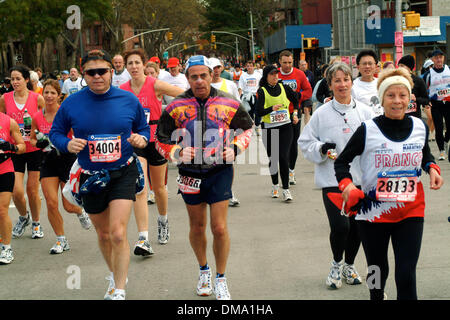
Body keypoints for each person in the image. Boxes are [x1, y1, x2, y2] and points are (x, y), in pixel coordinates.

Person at [335, 67, 444, 300]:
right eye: (391, 96)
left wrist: (432, 168)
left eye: (402, 95)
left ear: (409, 99)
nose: (397, 101)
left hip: (410, 209)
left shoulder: (420, 127)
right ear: (382, 99)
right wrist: (347, 185)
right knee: (377, 272)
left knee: (406, 273)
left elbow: (424, 154)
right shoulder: (368, 130)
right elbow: (341, 162)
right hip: (373, 212)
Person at [49, 49, 150, 300]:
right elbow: (56, 133)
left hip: (122, 171)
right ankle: (114, 274)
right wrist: (66, 144)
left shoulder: (127, 99)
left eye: (102, 71)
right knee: (103, 234)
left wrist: (141, 138)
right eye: (90, 72)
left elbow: (144, 128)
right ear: (83, 75)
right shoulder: (72, 102)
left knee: (117, 232)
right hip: (90, 175)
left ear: (111, 71)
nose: (97, 76)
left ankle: (119, 288)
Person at [156, 55, 253, 300]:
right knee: (197, 227)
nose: (199, 81)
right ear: (187, 79)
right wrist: (176, 152)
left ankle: (221, 277)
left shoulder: (229, 101)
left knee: (219, 227)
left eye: (203, 76)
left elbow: (247, 128)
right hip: (189, 174)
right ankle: (203, 270)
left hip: (219, 170)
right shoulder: (176, 105)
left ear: (211, 76)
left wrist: (236, 148)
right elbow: (161, 139)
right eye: (194, 77)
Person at [299, 62, 374, 290]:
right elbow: (305, 142)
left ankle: (349, 266)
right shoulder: (321, 114)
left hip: (360, 179)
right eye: (337, 81)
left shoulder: (366, 112)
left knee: (357, 228)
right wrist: (321, 148)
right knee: (341, 227)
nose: (342, 85)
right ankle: (336, 263)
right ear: (330, 84)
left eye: (346, 79)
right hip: (332, 180)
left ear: (352, 81)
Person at [121, 48, 183, 251]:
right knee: (141, 187)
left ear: (143, 64)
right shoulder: (122, 90)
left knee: (159, 189)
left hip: (156, 140)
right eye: (130, 63)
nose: (134, 66)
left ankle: (163, 220)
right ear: (125, 67)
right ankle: (143, 237)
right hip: (135, 142)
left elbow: (182, 94)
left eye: (137, 62)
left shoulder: (154, 84)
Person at [30, 79, 92, 255]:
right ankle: (61, 239)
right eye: (46, 92)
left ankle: (80, 212)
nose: (49, 96)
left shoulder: (65, 113)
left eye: (52, 93)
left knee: (68, 206)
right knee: (51, 202)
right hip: (47, 161)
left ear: (59, 95)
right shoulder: (36, 116)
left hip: (67, 160)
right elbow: (33, 139)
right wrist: (38, 142)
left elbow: (78, 135)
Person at [0, 65, 45, 239]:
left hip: (34, 149)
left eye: (18, 78)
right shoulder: (5, 98)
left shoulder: (37, 98)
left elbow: (44, 120)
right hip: (15, 150)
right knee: (17, 191)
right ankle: (23, 216)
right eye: (12, 79)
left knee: (33, 190)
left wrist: (43, 137)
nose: (15, 82)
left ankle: (36, 223)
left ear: (27, 79)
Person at [256, 64, 300, 201]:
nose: (275, 76)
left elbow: (296, 99)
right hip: (269, 129)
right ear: (266, 76)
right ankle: (275, 185)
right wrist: (271, 108)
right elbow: (258, 112)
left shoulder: (284, 87)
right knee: (273, 159)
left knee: (283, 157)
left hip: (286, 127)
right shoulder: (262, 91)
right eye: (272, 74)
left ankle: (286, 189)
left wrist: (295, 114)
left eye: (276, 74)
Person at [209, 57, 241, 207]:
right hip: (206, 130)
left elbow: (238, 105)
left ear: (221, 68)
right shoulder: (203, 85)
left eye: (217, 67)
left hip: (227, 129)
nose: (215, 71)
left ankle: (228, 191)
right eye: (212, 68)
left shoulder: (229, 85)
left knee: (227, 161)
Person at [277, 50, 312, 185]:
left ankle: (291, 170)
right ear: (280, 62)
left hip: (294, 114)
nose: (287, 65)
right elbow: (262, 90)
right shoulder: (275, 74)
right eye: (285, 62)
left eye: (290, 62)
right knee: (280, 146)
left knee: (292, 144)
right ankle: (282, 172)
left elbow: (308, 90)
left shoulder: (299, 74)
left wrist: (299, 97)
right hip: (278, 115)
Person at [0, 107, 26, 264]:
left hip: (4, 169)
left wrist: (12, 147)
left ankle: (6, 248)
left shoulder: (8, 121)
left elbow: (22, 146)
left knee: (2, 210)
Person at [422, 49, 450, 160]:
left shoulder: (448, 70)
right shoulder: (428, 74)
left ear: (443, 58)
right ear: (432, 60)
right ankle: (442, 151)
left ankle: (445, 140)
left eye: (440, 57)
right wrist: (426, 101)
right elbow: (422, 88)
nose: (438, 59)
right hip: (436, 104)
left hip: (448, 103)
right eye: (436, 57)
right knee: (438, 128)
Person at [352, 49, 383, 116]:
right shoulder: (353, 86)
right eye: (364, 64)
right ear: (358, 67)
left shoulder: (382, 83)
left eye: (370, 63)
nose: (367, 66)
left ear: (375, 66)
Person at [398, 55, 429, 120]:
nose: (399, 68)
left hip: (414, 118)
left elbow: (426, 100)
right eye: (399, 66)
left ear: (409, 68)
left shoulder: (418, 80)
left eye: (402, 66)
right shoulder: (396, 80)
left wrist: (416, 99)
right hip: (399, 116)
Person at [239, 60, 262, 135]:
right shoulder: (243, 75)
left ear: (253, 66)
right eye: (248, 66)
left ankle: (257, 126)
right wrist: (239, 98)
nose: (249, 67)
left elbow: (261, 85)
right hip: (246, 96)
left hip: (255, 95)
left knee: (258, 112)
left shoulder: (258, 75)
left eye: (251, 66)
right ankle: (250, 128)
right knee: (249, 113)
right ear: (246, 67)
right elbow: (240, 87)